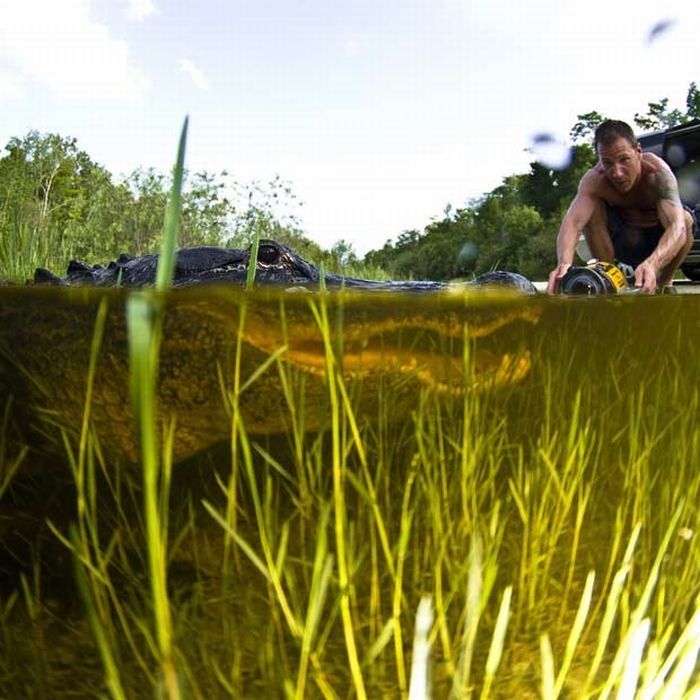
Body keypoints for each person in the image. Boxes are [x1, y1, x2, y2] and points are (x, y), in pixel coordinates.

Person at [547, 119, 695, 294]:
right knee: (591, 210)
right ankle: (609, 279)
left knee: (685, 219)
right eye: (608, 163)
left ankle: (663, 283)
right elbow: (573, 222)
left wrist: (652, 264)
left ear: (638, 151)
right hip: (622, 242)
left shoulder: (657, 174)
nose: (617, 173)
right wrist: (564, 263)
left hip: (658, 243)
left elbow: (677, 227)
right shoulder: (595, 180)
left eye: (624, 160)